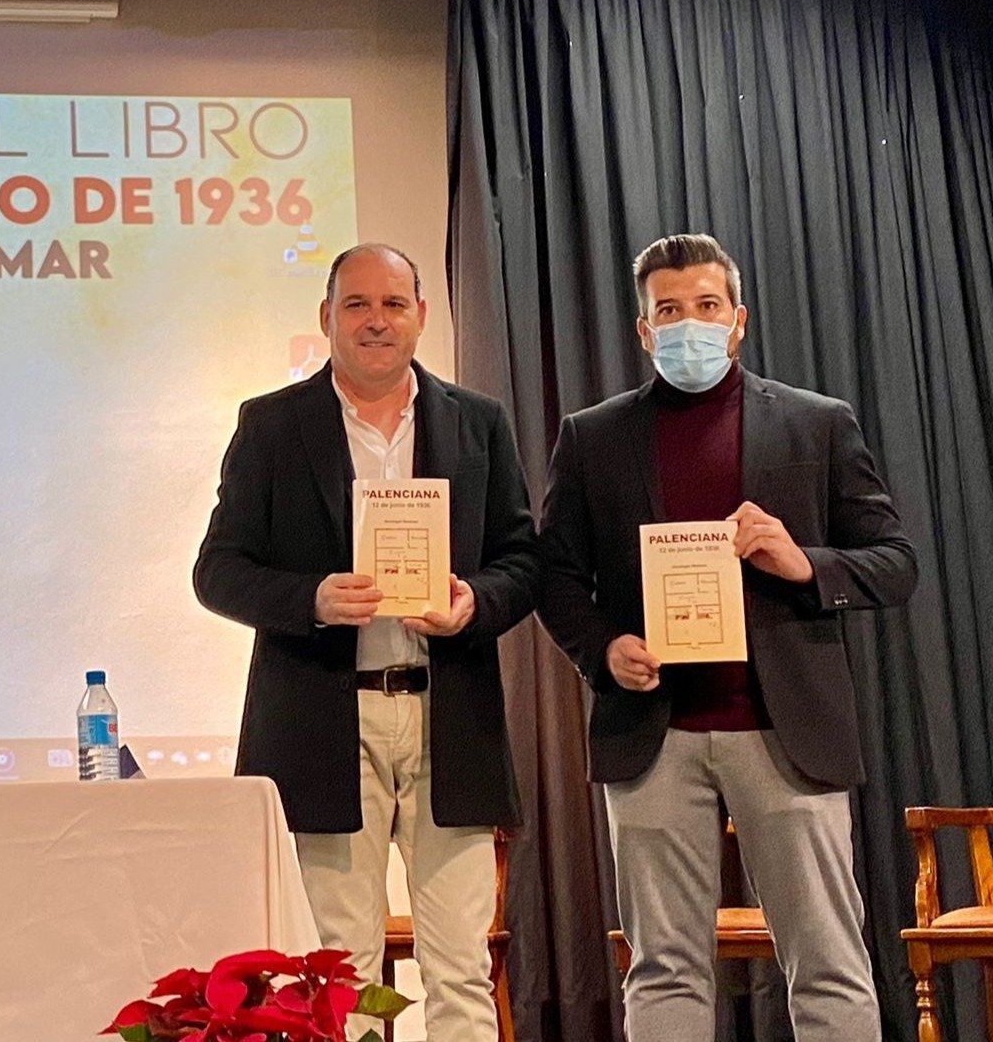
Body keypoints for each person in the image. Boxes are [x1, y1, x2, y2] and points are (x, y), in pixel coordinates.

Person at [536, 233, 918, 1039]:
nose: (689, 326)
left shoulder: (817, 424)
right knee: (664, 968)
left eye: (706, 307)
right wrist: (604, 649)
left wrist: (802, 562)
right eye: (667, 311)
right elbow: (556, 577)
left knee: (827, 962)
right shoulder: (594, 436)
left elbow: (894, 563)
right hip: (654, 734)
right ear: (643, 331)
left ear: (737, 320)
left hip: (787, 731)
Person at [195, 243, 541, 1040]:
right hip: (323, 721)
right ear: (326, 319)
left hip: (447, 715)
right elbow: (217, 571)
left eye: (393, 303)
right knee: (334, 970)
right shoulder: (272, 425)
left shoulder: (478, 422)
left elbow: (524, 561)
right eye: (356, 305)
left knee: (460, 964)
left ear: (421, 315)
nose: (376, 321)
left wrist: (473, 603)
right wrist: (311, 598)